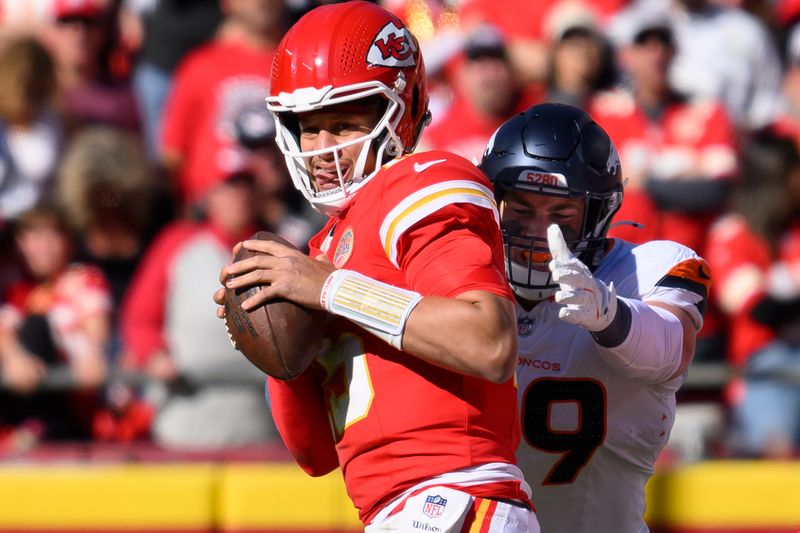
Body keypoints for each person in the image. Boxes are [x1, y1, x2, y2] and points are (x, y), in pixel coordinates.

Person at [213, 2, 538, 531]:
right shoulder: (319, 248)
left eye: (342, 124)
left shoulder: (424, 181)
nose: (322, 149)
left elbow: (490, 341)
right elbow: (317, 455)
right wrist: (273, 342)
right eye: (309, 128)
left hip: (457, 493)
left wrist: (332, 289)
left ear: (401, 110)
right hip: (391, 509)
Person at [478, 103, 710, 532]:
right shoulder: (460, 277)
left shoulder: (642, 271)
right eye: (521, 210)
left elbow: (669, 350)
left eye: (561, 215)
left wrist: (609, 314)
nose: (537, 233)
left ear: (599, 214)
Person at [706, 131, 800, 459]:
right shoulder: (732, 234)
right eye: (794, 171)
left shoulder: (794, 231)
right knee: (780, 460)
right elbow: (761, 309)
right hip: (764, 365)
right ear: (774, 177)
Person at [0, 204, 111, 446]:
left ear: (68, 242)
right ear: (20, 243)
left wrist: (92, 352)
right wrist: (13, 357)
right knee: (34, 326)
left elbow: (95, 317)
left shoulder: (83, 277)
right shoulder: (16, 286)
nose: (45, 246)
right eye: (36, 236)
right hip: (31, 394)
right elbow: (5, 329)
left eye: (54, 235)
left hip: (76, 395)